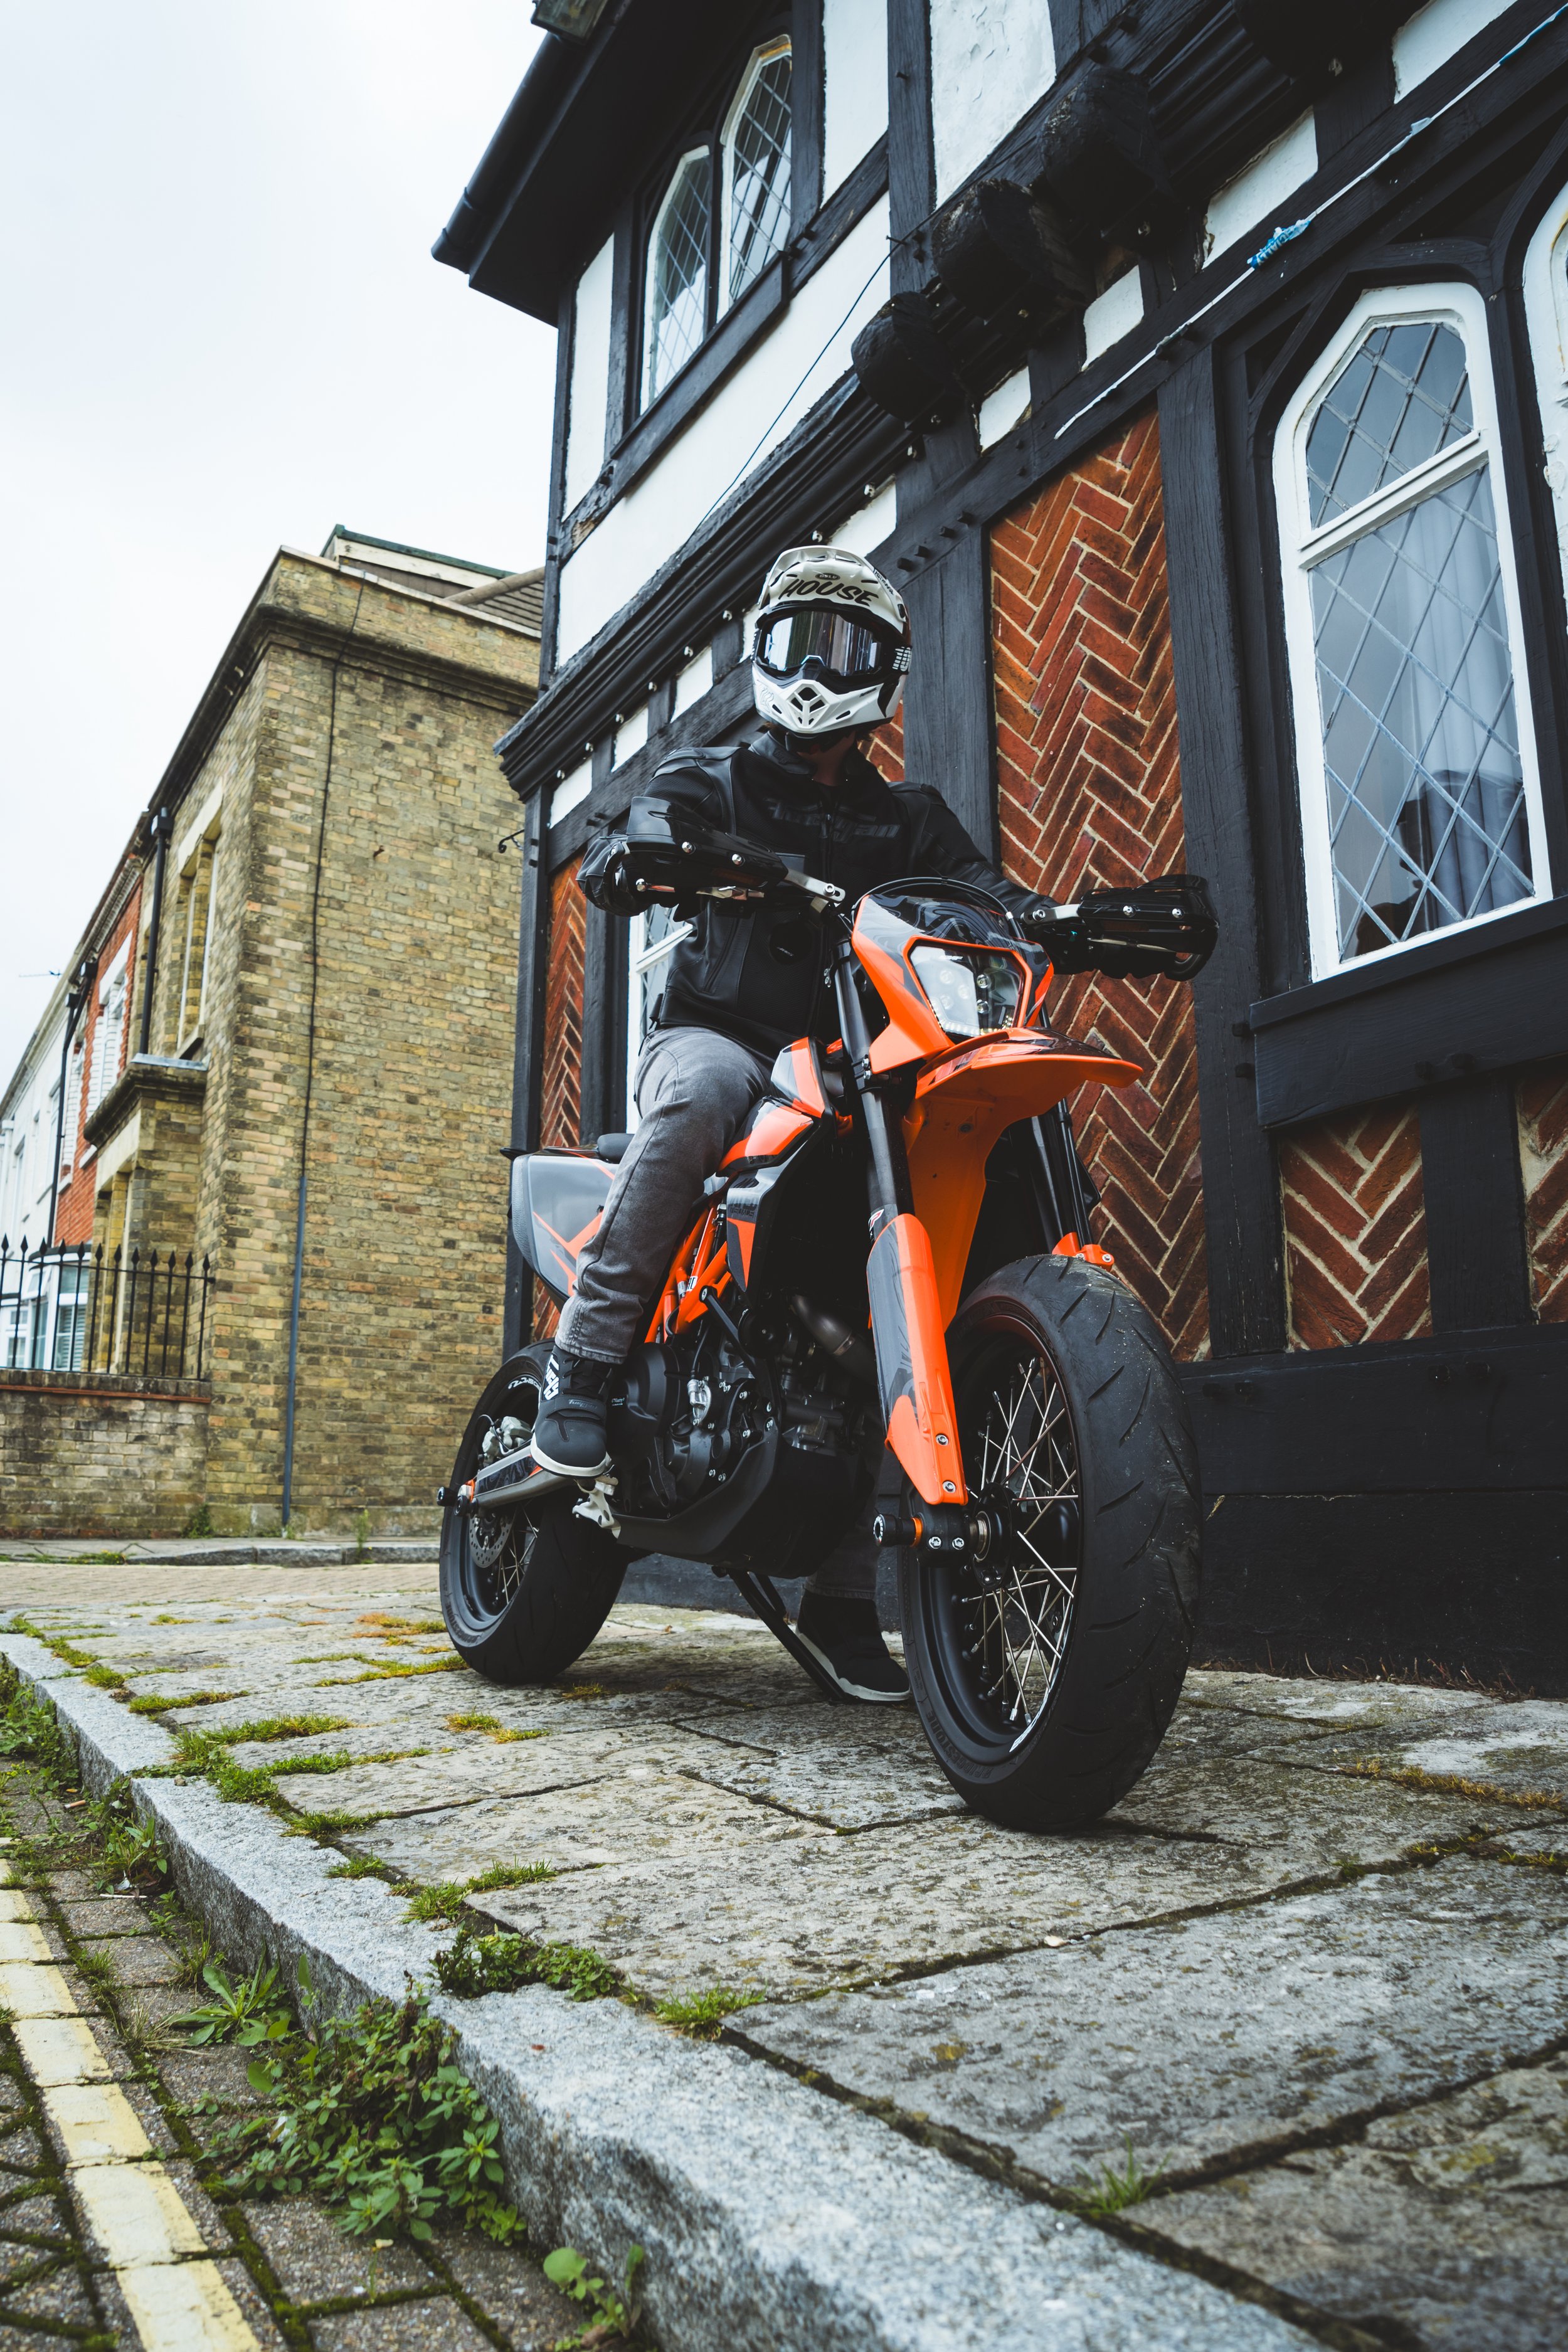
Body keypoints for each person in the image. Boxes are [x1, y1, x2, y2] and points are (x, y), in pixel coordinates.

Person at [531, 544, 1052, 1701]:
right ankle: (584, 1362)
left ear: (887, 672)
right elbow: (627, 847)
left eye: (844, 646)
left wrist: (1059, 916)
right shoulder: (711, 779)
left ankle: (852, 1593)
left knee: (942, 1210)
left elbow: (986, 896)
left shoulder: (906, 819)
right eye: (795, 639)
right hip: (721, 1038)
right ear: (762, 651)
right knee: (709, 1092)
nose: (815, 668)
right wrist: (646, 857)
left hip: (856, 1068)